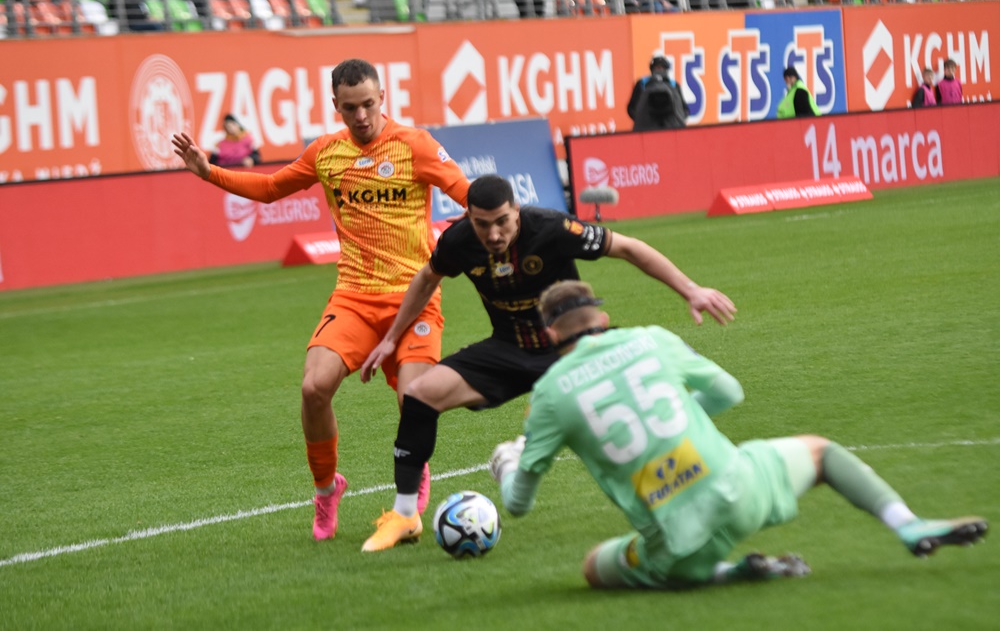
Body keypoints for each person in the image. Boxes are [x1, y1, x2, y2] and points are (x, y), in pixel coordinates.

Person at [488, 280, 988, 589]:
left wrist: (508, 464)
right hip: (741, 490)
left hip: (675, 544)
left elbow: (518, 504)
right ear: (602, 319)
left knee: (594, 567)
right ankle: (907, 525)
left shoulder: (549, 394)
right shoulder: (650, 339)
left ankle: (729, 572)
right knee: (821, 452)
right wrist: (687, 414)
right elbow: (729, 391)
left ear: (549, 335)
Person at [171, 58, 470, 542]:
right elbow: (272, 188)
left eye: (368, 104)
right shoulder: (326, 153)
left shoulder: (415, 145)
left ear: (382, 97)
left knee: (414, 401)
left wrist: (495, 228)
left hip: (413, 298)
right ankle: (327, 489)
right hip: (353, 297)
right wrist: (210, 173)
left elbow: (468, 193)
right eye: (350, 108)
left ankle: (413, 475)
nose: (361, 116)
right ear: (336, 106)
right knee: (313, 388)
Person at [357, 174, 736, 552]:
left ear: (517, 211)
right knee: (419, 395)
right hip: (508, 349)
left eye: (502, 221)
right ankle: (405, 515)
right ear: (469, 218)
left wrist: (691, 290)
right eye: (482, 224)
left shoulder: (551, 228)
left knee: (632, 410)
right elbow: (427, 278)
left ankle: (689, 486)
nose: (493, 234)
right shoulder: (458, 241)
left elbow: (628, 247)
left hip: (571, 351)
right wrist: (391, 338)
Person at [627, 53, 688, 130]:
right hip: (647, 129)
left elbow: (684, 109)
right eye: (657, 67)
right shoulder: (642, 84)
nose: (659, 70)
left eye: (662, 68)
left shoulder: (674, 85)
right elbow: (632, 108)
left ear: (666, 69)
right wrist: (643, 120)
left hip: (671, 128)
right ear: (652, 69)